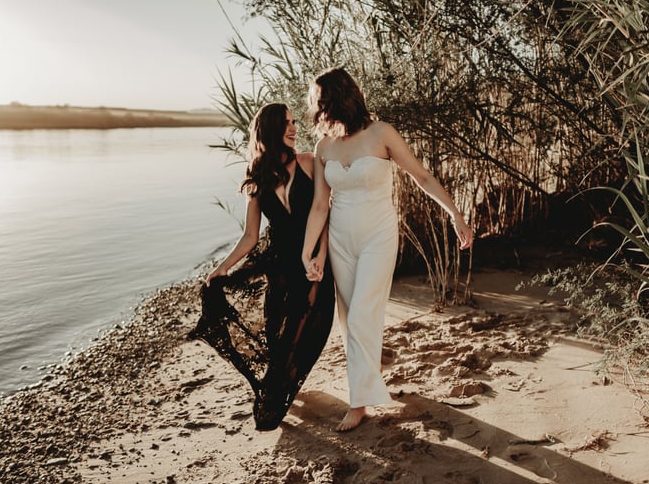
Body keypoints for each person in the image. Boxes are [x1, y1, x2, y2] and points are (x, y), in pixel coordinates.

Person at [302, 68, 473, 431]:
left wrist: (455, 213)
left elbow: (421, 176)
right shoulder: (323, 147)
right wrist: (309, 251)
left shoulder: (381, 133)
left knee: (363, 313)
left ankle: (359, 402)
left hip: (378, 235)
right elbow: (320, 204)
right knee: (351, 320)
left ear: (337, 98)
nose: (316, 106)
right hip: (340, 242)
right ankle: (368, 375)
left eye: (320, 99)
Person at [190, 103, 335, 431]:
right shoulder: (256, 179)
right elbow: (250, 236)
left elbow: (325, 213)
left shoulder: (310, 163)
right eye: (286, 123)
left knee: (301, 327)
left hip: (312, 263)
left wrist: (319, 258)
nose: (294, 128)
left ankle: (275, 393)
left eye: (294, 122)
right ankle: (282, 383)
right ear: (269, 129)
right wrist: (222, 267)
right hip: (279, 265)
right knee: (274, 332)